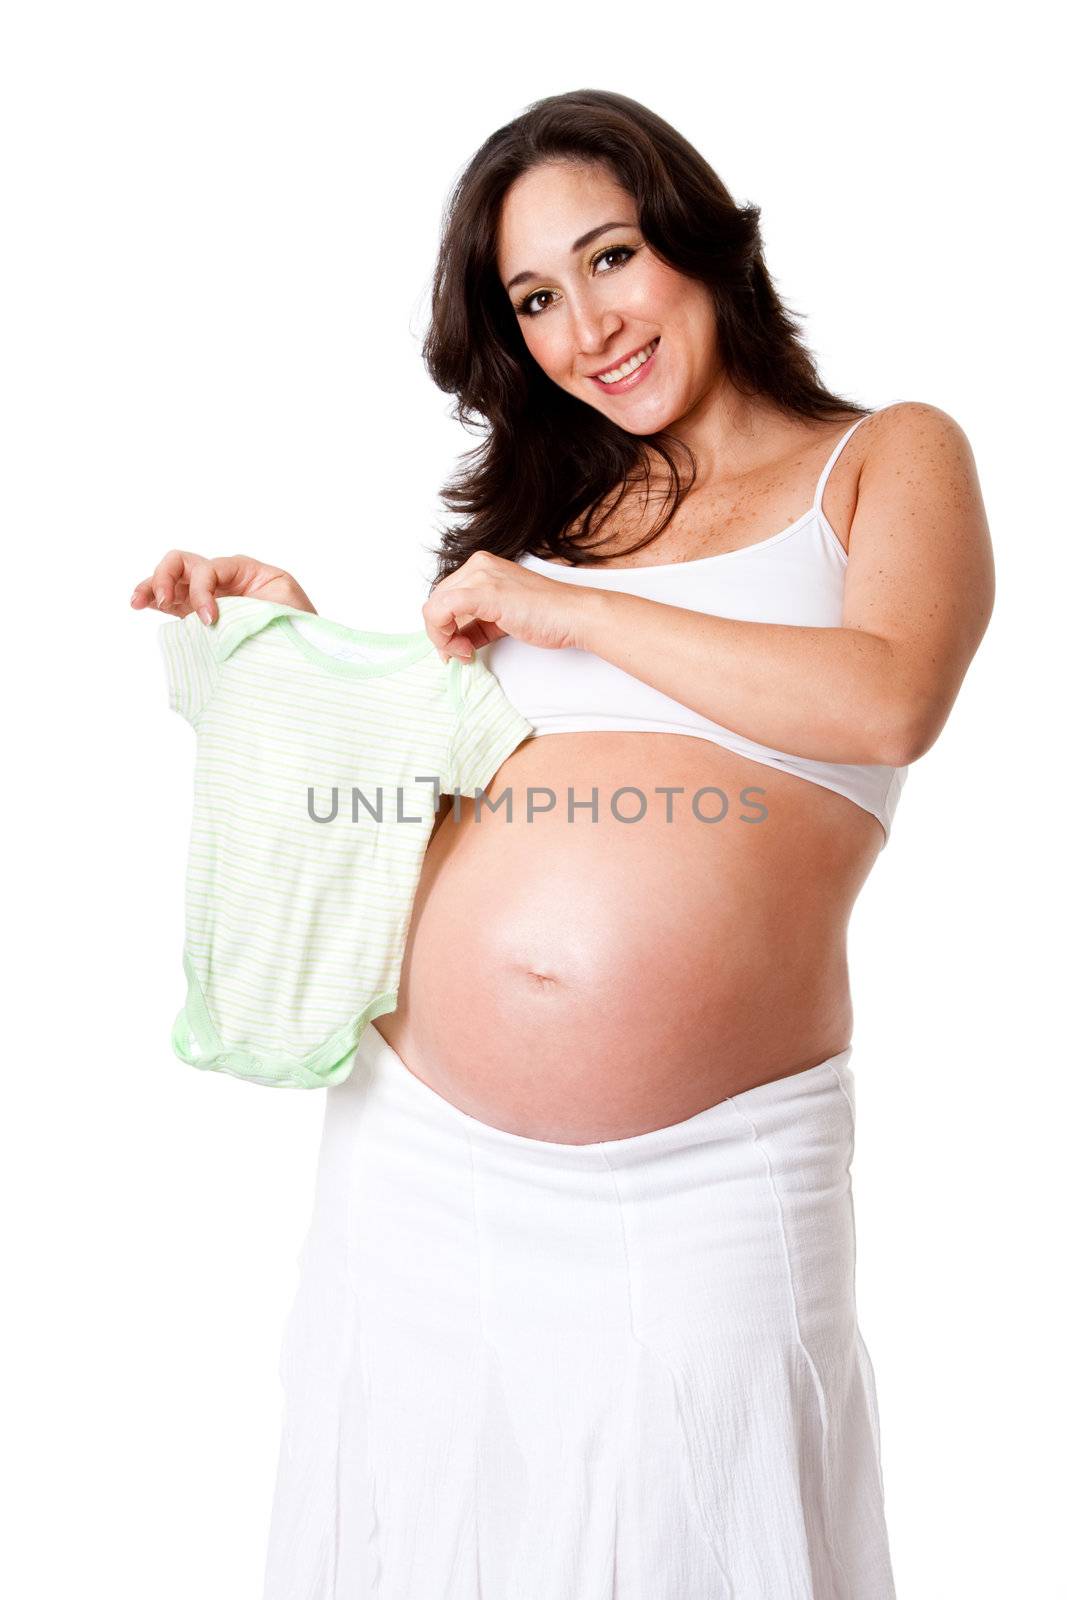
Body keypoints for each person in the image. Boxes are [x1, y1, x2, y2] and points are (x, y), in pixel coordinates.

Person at [132, 89, 994, 1600]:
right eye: (536, 296)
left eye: (608, 259)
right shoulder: (561, 521)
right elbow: (448, 768)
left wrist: (559, 605)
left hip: (713, 1174)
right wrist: (291, 633)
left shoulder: (883, 461)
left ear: (698, 238)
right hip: (417, 1159)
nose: (586, 327)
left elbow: (890, 700)